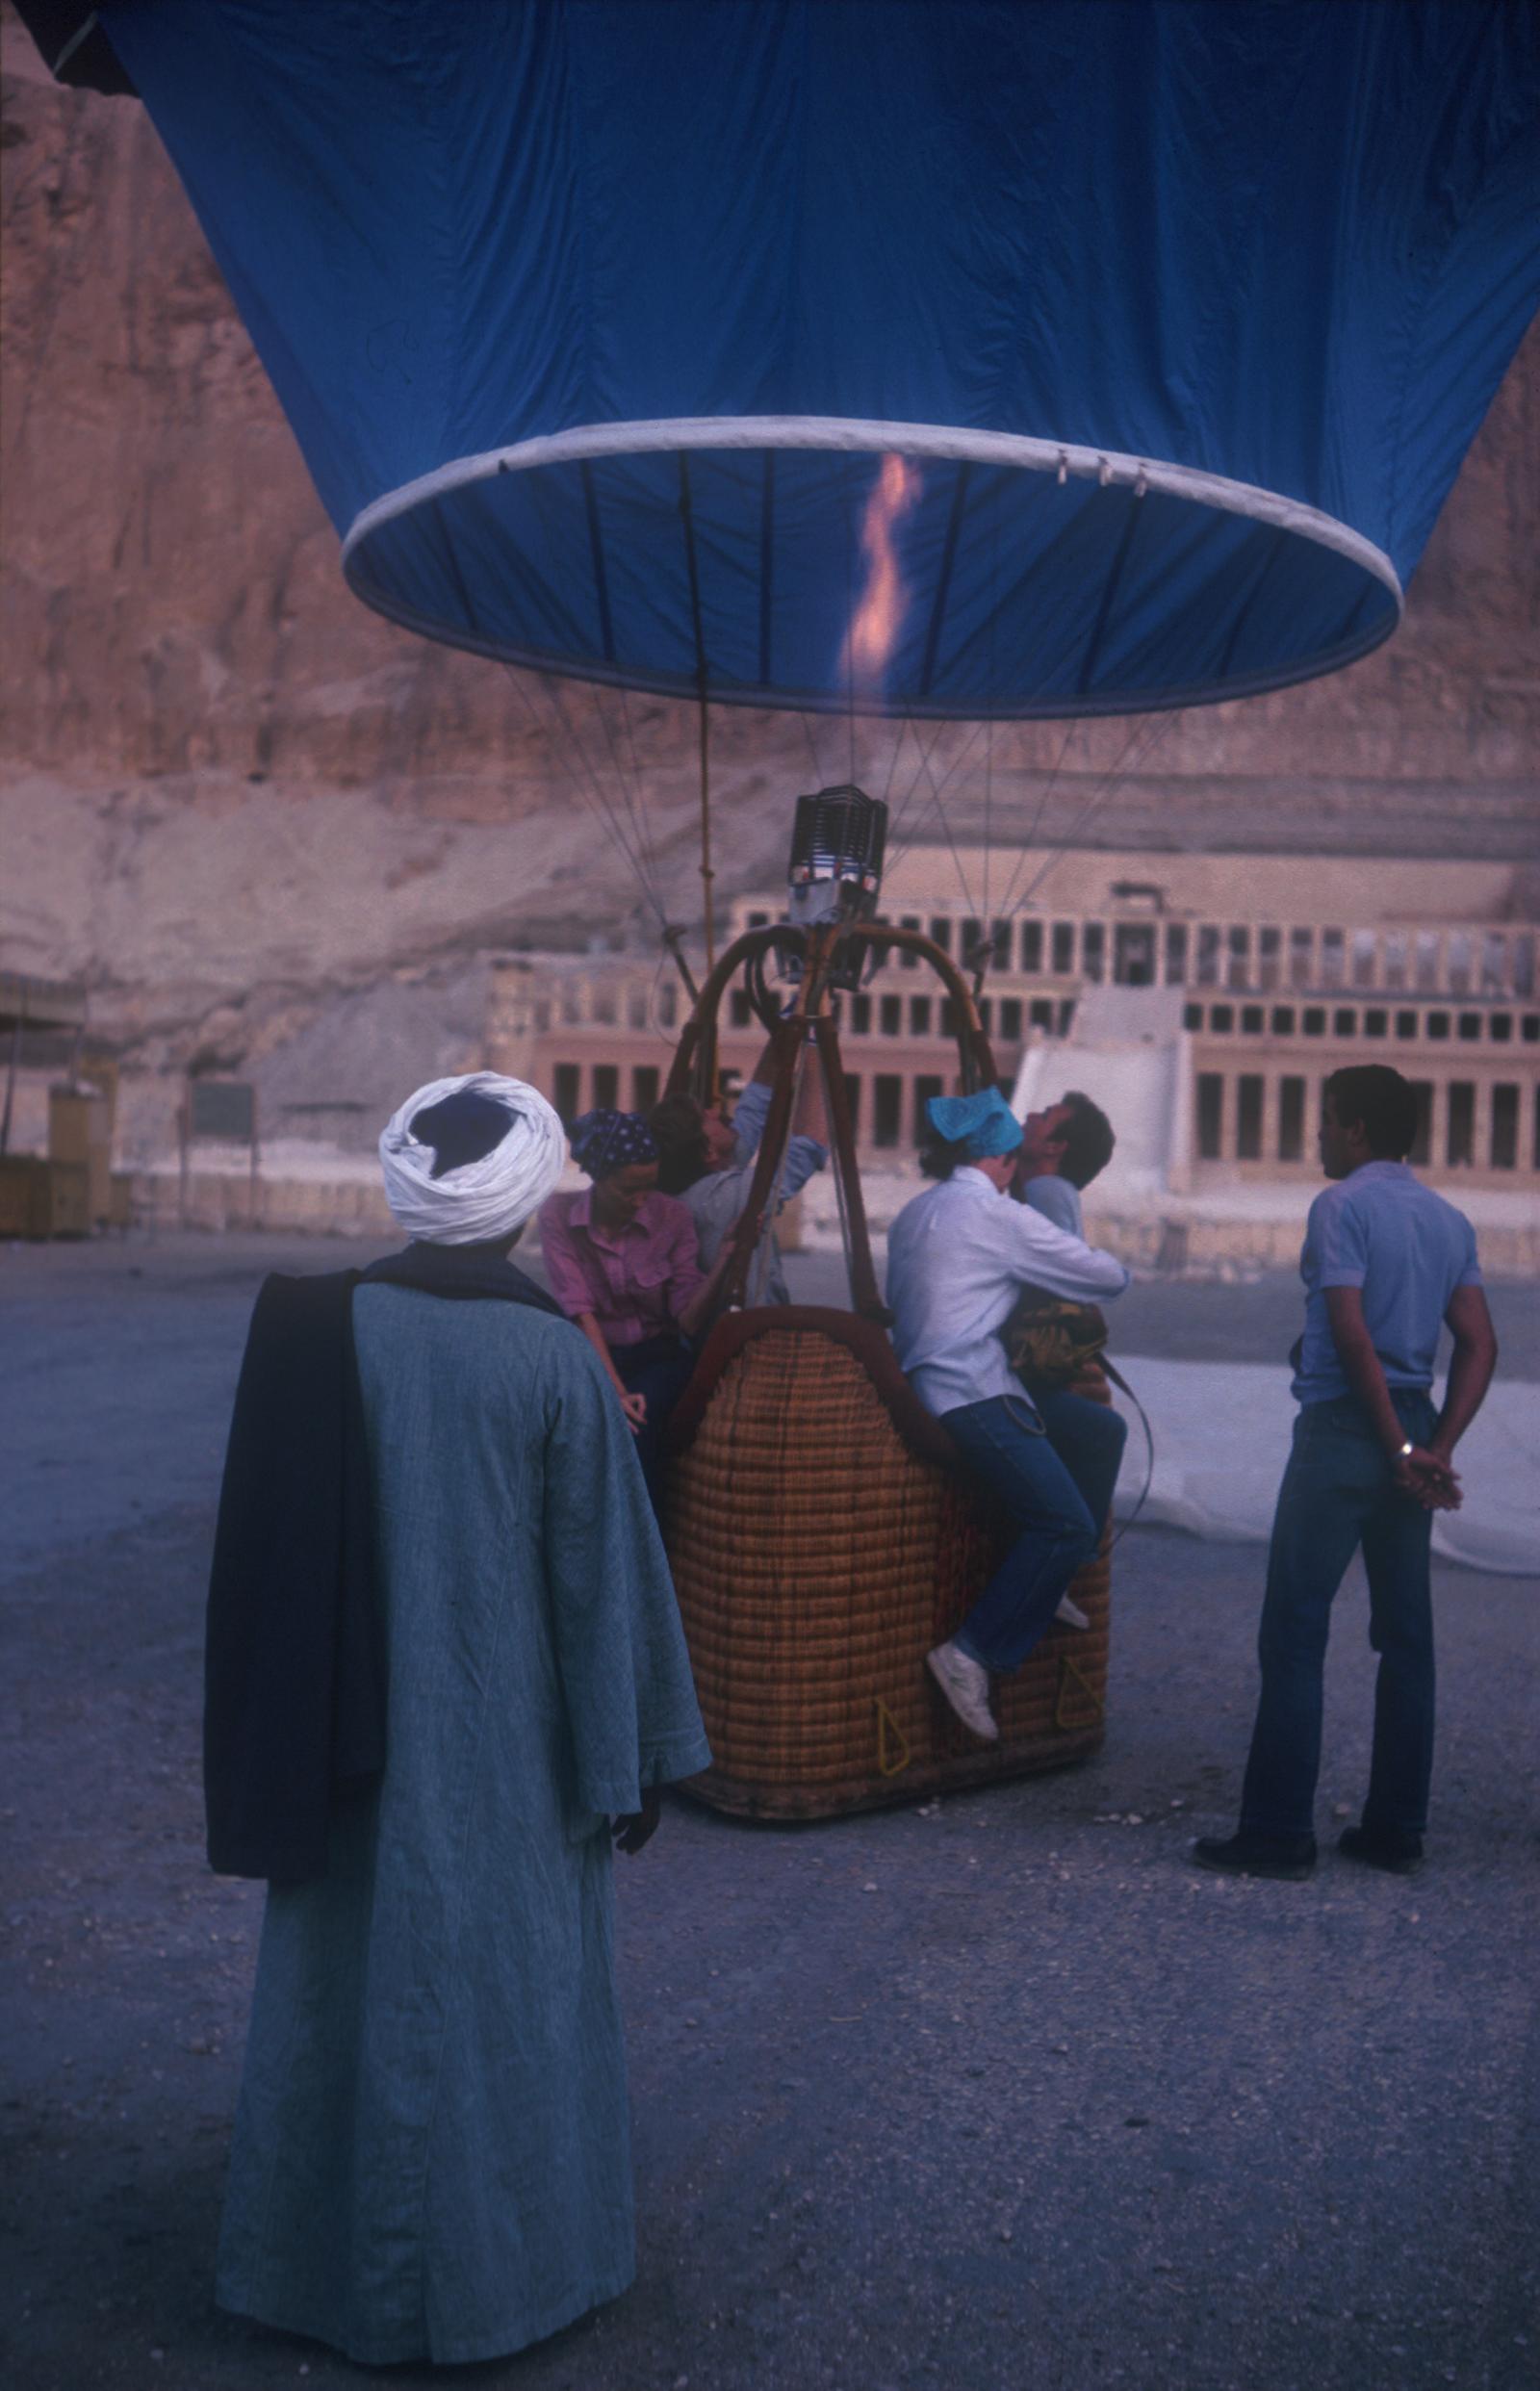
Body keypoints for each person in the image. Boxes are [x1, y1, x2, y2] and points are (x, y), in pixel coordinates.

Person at [210, 1072, 711, 2366]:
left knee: (346, 1991)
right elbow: (602, 1587)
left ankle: (311, 2274)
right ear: (524, 1199)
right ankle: (509, 2283)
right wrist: (632, 1762)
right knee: (504, 2009)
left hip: (343, 1734)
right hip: (505, 1751)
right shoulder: (551, 1358)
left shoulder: (327, 1331)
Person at [1194, 1064, 1498, 1883]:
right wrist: (1434, 1449)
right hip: (1416, 1426)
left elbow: (1352, 1334)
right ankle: (1396, 1828)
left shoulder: (1341, 1207)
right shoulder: (1448, 1218)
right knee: (1406, 1640)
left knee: (1295, 1630)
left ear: (1357, 1130)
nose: (1318, 1135)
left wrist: (1395, 1443)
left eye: (1327, 1122)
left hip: (1344, 1431)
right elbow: (1479, 1343)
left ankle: (1278, 1832)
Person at [886, 1087, 1131, 1743]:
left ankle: (1045, 1587)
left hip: (926, 1379)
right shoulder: (996, 1216)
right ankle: (972, 1651)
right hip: (969, 1393)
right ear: (1002, 1159)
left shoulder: (916, 1212)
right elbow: (1107, 1278)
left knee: (1103, 1431)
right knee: (1063, 1523)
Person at [538, 1107, 737, 1486]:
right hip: (591, 1356)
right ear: (598, 1178)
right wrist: (615, 1390)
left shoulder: (673, 1218)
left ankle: (642, 1535)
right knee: (565, 1423)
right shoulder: (558, 1216)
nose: (640, 1200)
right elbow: (581, 1312)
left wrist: (725, 1259)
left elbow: (688, 1320)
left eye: (649, 1186)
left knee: (636, 1424)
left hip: (657, 1356)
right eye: (629, 1189)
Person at [650, 1037, 828, 1308]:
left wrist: (789, 1025)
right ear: (708, 1151)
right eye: (705, 1117)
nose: (714, 1111)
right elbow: (809, 1144)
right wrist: (816, 1046)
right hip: (751, 1339)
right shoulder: (720, 1200)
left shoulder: (696, 1183)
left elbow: (754, 1110)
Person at [1013, 1088, 1116, 1235]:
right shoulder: (1052, 1190)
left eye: (1044, 1116)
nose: (1030, 1116)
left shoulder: (1046, 1189)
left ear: (1053, 1147)